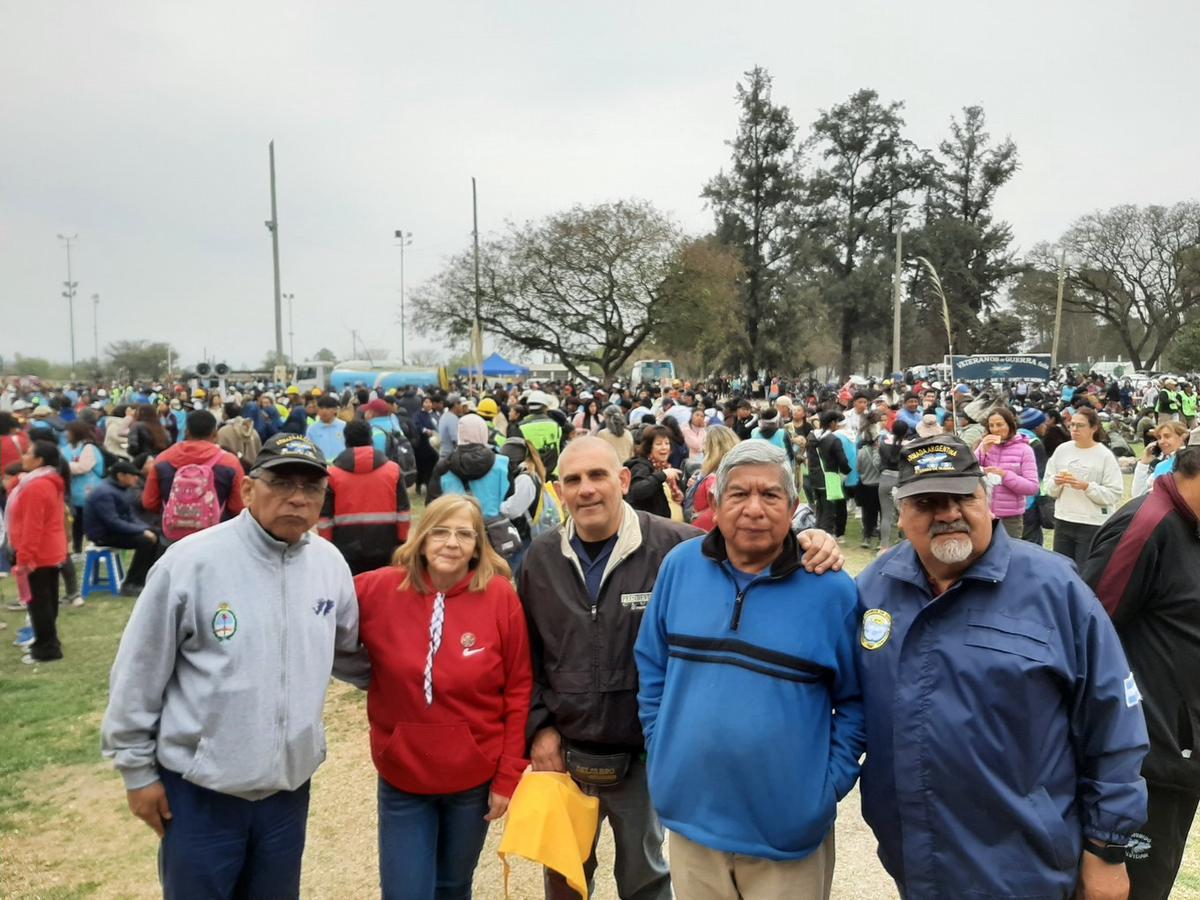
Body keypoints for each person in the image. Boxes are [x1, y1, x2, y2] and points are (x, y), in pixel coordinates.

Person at [518, 436, 841, 900]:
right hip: (566, 756)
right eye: (573, 480)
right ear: (559, 490)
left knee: (647, 878)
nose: (586, 489)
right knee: (564, 882)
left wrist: (810, 540)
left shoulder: (674, 548)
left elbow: (745, 548)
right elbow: (525, 653)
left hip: (643, 762)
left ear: (623, 481)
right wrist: (539, 728)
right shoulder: (540, 559)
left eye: (598, 476)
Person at [855, 433, 1149, 899]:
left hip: (1028, 867)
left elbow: (1114, 723)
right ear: (901, 513)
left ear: (987, 499)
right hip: (915, 862)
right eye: (928, 502)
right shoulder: (872, 590)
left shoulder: (1055, 588)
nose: (948, 513)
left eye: (962, 497)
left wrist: (1107, 849)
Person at [100, 433, 370, 899]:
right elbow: (138, 672)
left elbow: (349, 653)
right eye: (282, 482)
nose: (298, 498)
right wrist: (137, 772)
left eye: (312, 488)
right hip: (201, 791)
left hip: (287, 793)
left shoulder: (329, 564)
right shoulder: (191, 562)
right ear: (247, 490)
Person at [635, 441, 863, 899]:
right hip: (690, 823)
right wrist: (663, 748)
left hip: (787, 837)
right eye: (738, 495)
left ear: (794, 507)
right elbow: (652, 664)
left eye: (770, 496)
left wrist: (823, 788)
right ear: (715, 504)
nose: (754, 509)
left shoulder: (832, 590)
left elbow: (857, 702)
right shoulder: (680, 567)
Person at [353, 494, 531, 900]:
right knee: (405, 891)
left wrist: (507, 774)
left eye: (464, 534)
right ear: (421, 536)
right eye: (440, 531)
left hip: (473, 778)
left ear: (477, 545)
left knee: (453, 886)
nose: (451, 543)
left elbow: (519, 688)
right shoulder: (379, 588)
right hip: (404, 776)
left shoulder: (501, 596)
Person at [1082, 435, 1200, 899]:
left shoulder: (1190, 524)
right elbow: (1090, 636)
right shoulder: (1148, 524)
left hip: (1181, 754)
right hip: (1145, 760)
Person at [318, 419, 411, 575]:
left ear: (345, 440)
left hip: (344, 548)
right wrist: (401, 542)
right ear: (370, 438)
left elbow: (324, 518)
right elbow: (403, 512)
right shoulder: (393, 470)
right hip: (386, 544)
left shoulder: (332, 474)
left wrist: (328, 547)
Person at [6, 440, 69, 663]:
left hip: (38, 553)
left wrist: (24, 557)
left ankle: (46, 647)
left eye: (28, 453)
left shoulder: (37, 485)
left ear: (39, 460)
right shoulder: (43, 481)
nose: (24, 456)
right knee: (47, 599)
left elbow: (33, 526)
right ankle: (48, 641)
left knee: (39, 602)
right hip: (48, 549)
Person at [1043, 406, 1124, 568]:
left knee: (1085, 571)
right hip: (1063, 519)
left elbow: (1114, 493)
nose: (1074, 429)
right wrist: (1056, 482)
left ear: (1094, 428)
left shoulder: (1104, 455)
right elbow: (1047, 487)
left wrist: (1087, 487)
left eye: (1080, 425)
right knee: (1061, 569)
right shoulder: (1062, 450)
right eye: (1072, 424)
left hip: (1091, 523)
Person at [142, 410, 246, 531]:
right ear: (215, 433)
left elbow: (149, 503)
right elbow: (238, 507)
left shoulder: (162, 459)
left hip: (173, 535)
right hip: (215, 534)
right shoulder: (230, 462)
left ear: (186, 431)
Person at [83, 460, 162, 595]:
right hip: (103, 535)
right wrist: (142, 531)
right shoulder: (105, 493)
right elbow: (113, 522)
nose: (136, 478)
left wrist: (147, 528)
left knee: (158, 534)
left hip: (114, 530)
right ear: (121, 476)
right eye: (132, 475)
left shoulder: (121, 490)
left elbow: (131, 517)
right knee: (146, 541)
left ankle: (146, 579)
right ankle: (131, 584)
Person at [975, 406, 1040, 539]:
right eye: (991, 425)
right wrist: (982, 452)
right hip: (984, 514)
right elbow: (970, 471)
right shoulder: (985, 445)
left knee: (1009, 556)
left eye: (999, 424)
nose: (995, 429)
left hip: (1010, 519)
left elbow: (1032, 487)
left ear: (1010, 425)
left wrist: (1005, 475)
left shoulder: (1024, 450)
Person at [428, 414, 509, 517]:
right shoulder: (502, 463)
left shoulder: (444, 466)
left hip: (457, 526)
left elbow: (432, 504)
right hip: (493, 527)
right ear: (484, 432)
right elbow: (510, 503)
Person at [63, 419, 105, 556]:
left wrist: (66, 466)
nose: (66, 434)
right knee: (77, 522)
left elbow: (83, 467)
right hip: (77, 493)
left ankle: (94, 546)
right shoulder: (70, 447)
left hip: (88, 491)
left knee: (88, 521)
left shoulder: (88, 448)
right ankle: (77, 549)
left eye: (68, 432)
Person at [625, 424, 683, 520]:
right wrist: (662, 475)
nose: (664, 447)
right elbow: (636, 492)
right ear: (649, 447)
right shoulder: (641, 466)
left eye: (667, 443)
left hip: (673, 529)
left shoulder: (665, 467)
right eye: (659, 444)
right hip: (653, 530)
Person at [689, 425, 740, 532]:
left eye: (705, 443)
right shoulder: (733, 473)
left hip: (705, 533)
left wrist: (697, 519)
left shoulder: (713, 479)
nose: (702, 448)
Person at [1131, 421, 1188, 498]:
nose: (1161, 441)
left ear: (1182, 437)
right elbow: (1138, 495)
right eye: (1159, 438)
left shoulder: (1191, 461)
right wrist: (1143, 464)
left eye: (1167, 436)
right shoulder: (1160, 466)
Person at [216, 400, 263, 472]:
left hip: (231, 471)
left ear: (226, 414)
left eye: (223, 412)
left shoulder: (223, 432)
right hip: (253, 470)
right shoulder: (252, 430)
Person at [306, 395, 347, 462]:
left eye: (328, 408)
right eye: (321, 408)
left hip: (341, 466)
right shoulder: (312, 430)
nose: (324, 411)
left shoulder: (344, 426)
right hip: (321, 466)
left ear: (335, 410)